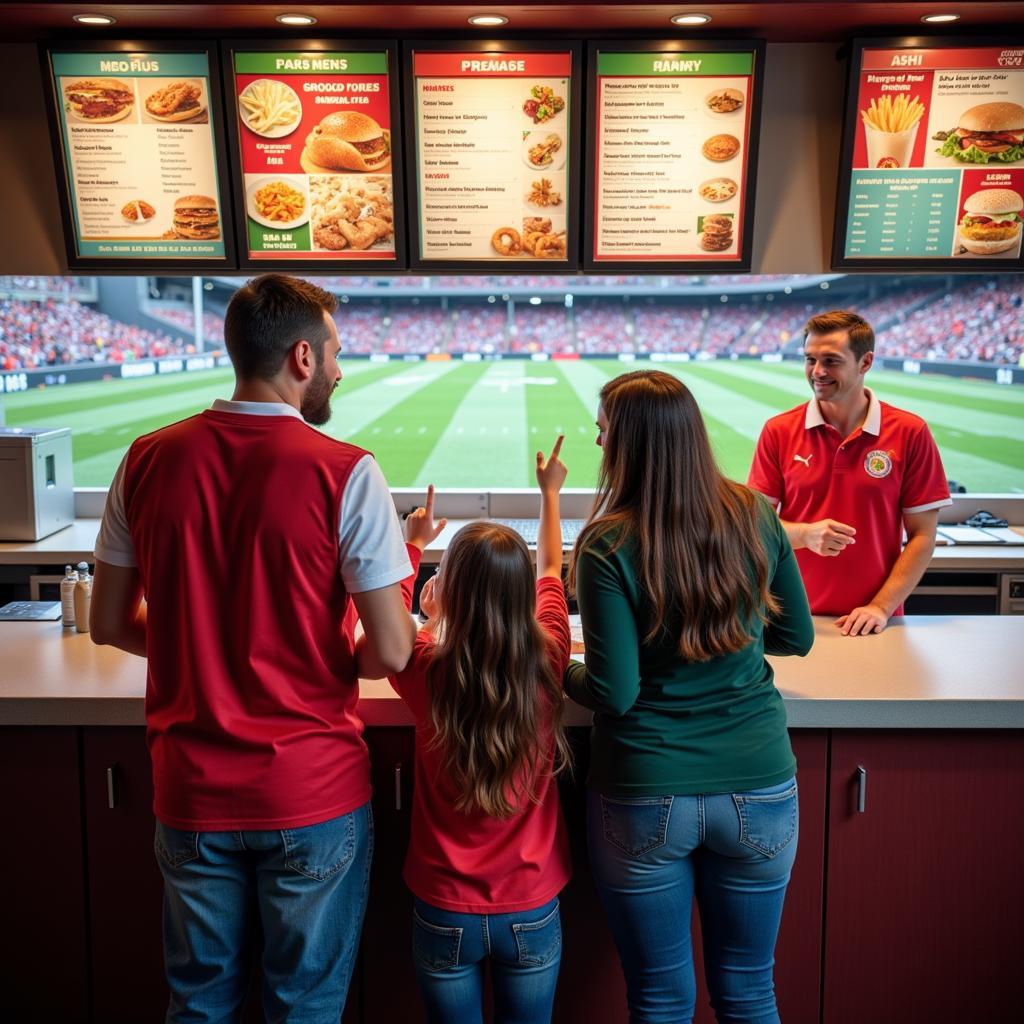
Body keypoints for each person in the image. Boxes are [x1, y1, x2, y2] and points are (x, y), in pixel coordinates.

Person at [89, 274, 417, 1023]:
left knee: (199, 1006)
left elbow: (108, 622)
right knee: (303, 1008)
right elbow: (392, 654)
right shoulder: (347, 470)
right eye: (335, 354)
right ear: (302, 357)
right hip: (312, 790)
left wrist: (197, 650)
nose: (339, 369)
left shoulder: (144, 458)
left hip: (191, 790)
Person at [565, 370, 814, 1024]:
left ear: (632, 443)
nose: (596, 437)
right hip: (759, 786)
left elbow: (614, 692)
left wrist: (557, 669)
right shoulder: (755, 513)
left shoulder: (606, 543)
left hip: (646, 790)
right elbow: (796, 635)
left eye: (605, 428)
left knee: (660, 999)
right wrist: (729, 639)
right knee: (750, 992)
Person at [390, 439, 573, 1024]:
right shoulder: (548, 654)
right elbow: (550, 567)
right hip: (533, 901)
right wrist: (550, 493)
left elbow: (392, 629)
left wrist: (413, 547)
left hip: (443, 904)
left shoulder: (424, 664)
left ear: (449, 592)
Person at [747, 310, 952, 636]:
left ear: (865, 362)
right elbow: (754, 527)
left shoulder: (910, 432)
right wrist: (804, 535)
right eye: (810, 359)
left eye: (831, 360)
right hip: (794, 617)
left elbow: (923, 536)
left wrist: (880, 607)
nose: (817, 372)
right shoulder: (779, 431)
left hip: (877, 620)